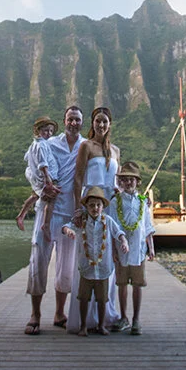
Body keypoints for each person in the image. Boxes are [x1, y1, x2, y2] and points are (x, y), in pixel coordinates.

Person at [24, 105, 84, 335]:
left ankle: (59, 313)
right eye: (70, 119)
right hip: (47, 210)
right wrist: (41, 190)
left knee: (66, 267)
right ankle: (35, 315)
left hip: (71, 214)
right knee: (38, 261)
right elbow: (30, 169)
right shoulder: (48, 143)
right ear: (64, 120)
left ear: (81, 122)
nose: (73, 123)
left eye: (77, 119)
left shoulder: (85, 146)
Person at [67, 106, 121, 332]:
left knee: (108, 256)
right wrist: (78, 209)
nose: (101, 125)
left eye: (105, 121)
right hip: (90, 206)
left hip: (109, 207)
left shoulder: (115, 150)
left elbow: (118, 181)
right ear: (92, 123)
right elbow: (78, 179)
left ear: (110, 124)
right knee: (88, 254)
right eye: (98, 121)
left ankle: (106, 315)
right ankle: (85, 319)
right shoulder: (85, 146)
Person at [61, 186, 129, 336]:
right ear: (86, 206)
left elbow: (119, 232)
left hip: (103, 268)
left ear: (103, 206)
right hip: (86, 269)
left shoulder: (108, 221)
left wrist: (124, 241)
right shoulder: (81, 222)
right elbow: (66, 226)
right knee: (84, 298)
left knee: (102, 299)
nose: (95, 208)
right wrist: (69, 231)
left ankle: (101, 325)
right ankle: (83, 326)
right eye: (91, 205)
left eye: (98, 205)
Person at [109, 160, 155, 335]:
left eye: (132, 179)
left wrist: (151, 248)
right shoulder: (115, 202)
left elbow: (147, 226)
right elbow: (113, 227)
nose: (129, 182)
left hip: (138, 250)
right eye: (125, 179)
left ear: (138, 182)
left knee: (137, 284)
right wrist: (113, 250)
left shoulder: (143, 202)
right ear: (120, 181)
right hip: (121, 251)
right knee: (121, 284)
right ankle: (123, 317)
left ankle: (136, 318)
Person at [16, 117, 58, 231]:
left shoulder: (34, 144)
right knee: (51, 199)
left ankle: (21, 215)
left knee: (35, 195)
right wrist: (47, 179)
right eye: (45, 130)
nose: (48, 133)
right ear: (38, 130)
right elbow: (43, 164)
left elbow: (26, 157)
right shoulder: (42, 145)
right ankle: (46, 224)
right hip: (48, 177)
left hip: (37, 177)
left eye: (50, 131)